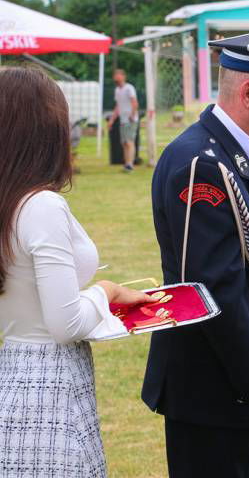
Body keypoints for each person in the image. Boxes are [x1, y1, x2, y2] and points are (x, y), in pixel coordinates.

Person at [143, 32, 249, 478]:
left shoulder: (245, 158)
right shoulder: (201, 163)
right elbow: (215, 293)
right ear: (248, 90)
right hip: (217, 396)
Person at [0, 66, 155, 477]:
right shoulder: (41, 207)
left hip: (15, 368)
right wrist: (106, 290)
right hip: (47, 381)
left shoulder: (10, 203)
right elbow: (65, 322)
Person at [107, 68, 139, 172]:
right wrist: (112, 120)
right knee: (124, 143)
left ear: (123, 77)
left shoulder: (129, 88)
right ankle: (126, 164)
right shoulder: (117, 90)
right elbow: (118, 107)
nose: (117, 77)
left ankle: (130, 165)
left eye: (119, 75)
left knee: (129, 142)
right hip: (122, 120)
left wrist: (132, 115)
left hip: (130, 119)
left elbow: (134, 102)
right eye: (115, 75)